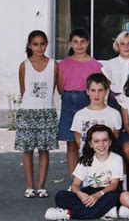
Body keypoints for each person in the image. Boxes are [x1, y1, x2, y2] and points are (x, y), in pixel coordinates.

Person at [45, 125, 123, 221]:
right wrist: (80, 194)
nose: (101, 145)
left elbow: (114, 185)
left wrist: (97, 196)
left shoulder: (116, 159)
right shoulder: (86, 160)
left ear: (110, 142)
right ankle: (104, 212)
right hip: (88, 191)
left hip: (106, 192)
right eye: (96, 141)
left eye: (105, 140)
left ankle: (68, 214)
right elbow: (75, 185)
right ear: (90, 144)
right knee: (61, 196)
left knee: (113, 197)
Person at [15, 30, 58, 198]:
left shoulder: (54, 64)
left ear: (46, 44)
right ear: (29, 45)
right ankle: (29, 186)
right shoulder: (24, 65)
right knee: (27, 150)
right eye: (35, 44)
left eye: (42, 44)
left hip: (46, 112)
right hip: (27, 112)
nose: (39, 48)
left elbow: (53, 88)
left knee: (44, 150)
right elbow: (23, 90)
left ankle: (41, 186)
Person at [57, 28, 102, 177]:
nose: (79, 45)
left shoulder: (96, 65)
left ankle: (90, 178)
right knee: (71, 144)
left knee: (88, 143)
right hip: (68, 102)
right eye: (75, 42)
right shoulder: (63, 65)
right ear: (71, 43)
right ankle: (73, 180)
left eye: (83, 42)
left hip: (86, 101)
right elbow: (60, 88)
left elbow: (98, 87)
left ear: (88, 43)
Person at [71, 73, 122, 154]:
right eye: (93, 90)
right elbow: (79, 140)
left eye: (100, 90)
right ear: (87, 91)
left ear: (106, 91)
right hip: (87, 158)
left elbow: (114, 138)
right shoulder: (79, 115)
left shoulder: (114, 114)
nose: (96, 94)